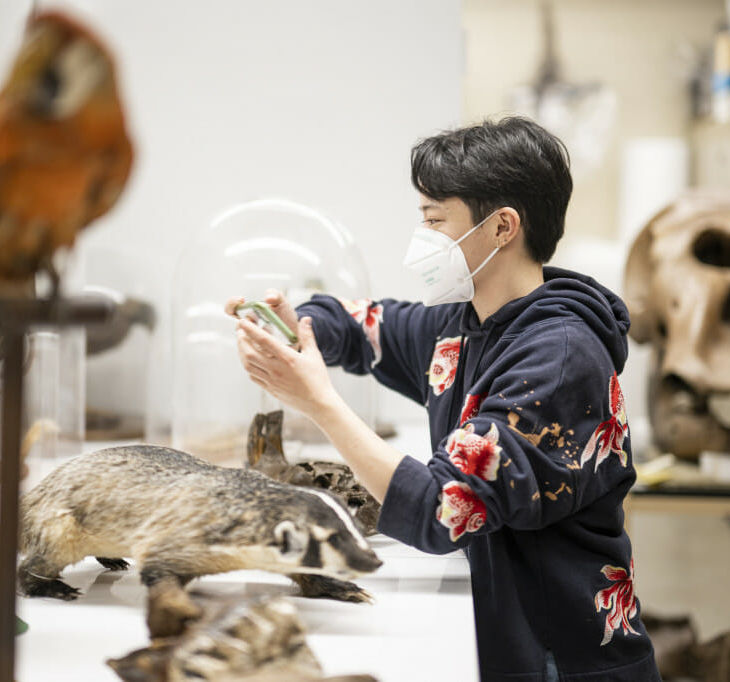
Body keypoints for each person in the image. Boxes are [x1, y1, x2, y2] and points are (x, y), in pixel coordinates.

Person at [225, 116, 660, 681]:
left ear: (503, 226)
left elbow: (442, 508)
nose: (423, 239)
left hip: (563, 656)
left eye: (435, 220)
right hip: (512, 636)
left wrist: (321, 403)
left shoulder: (559, 360)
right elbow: (364, 327)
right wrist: (294, 329)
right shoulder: (466, 326)